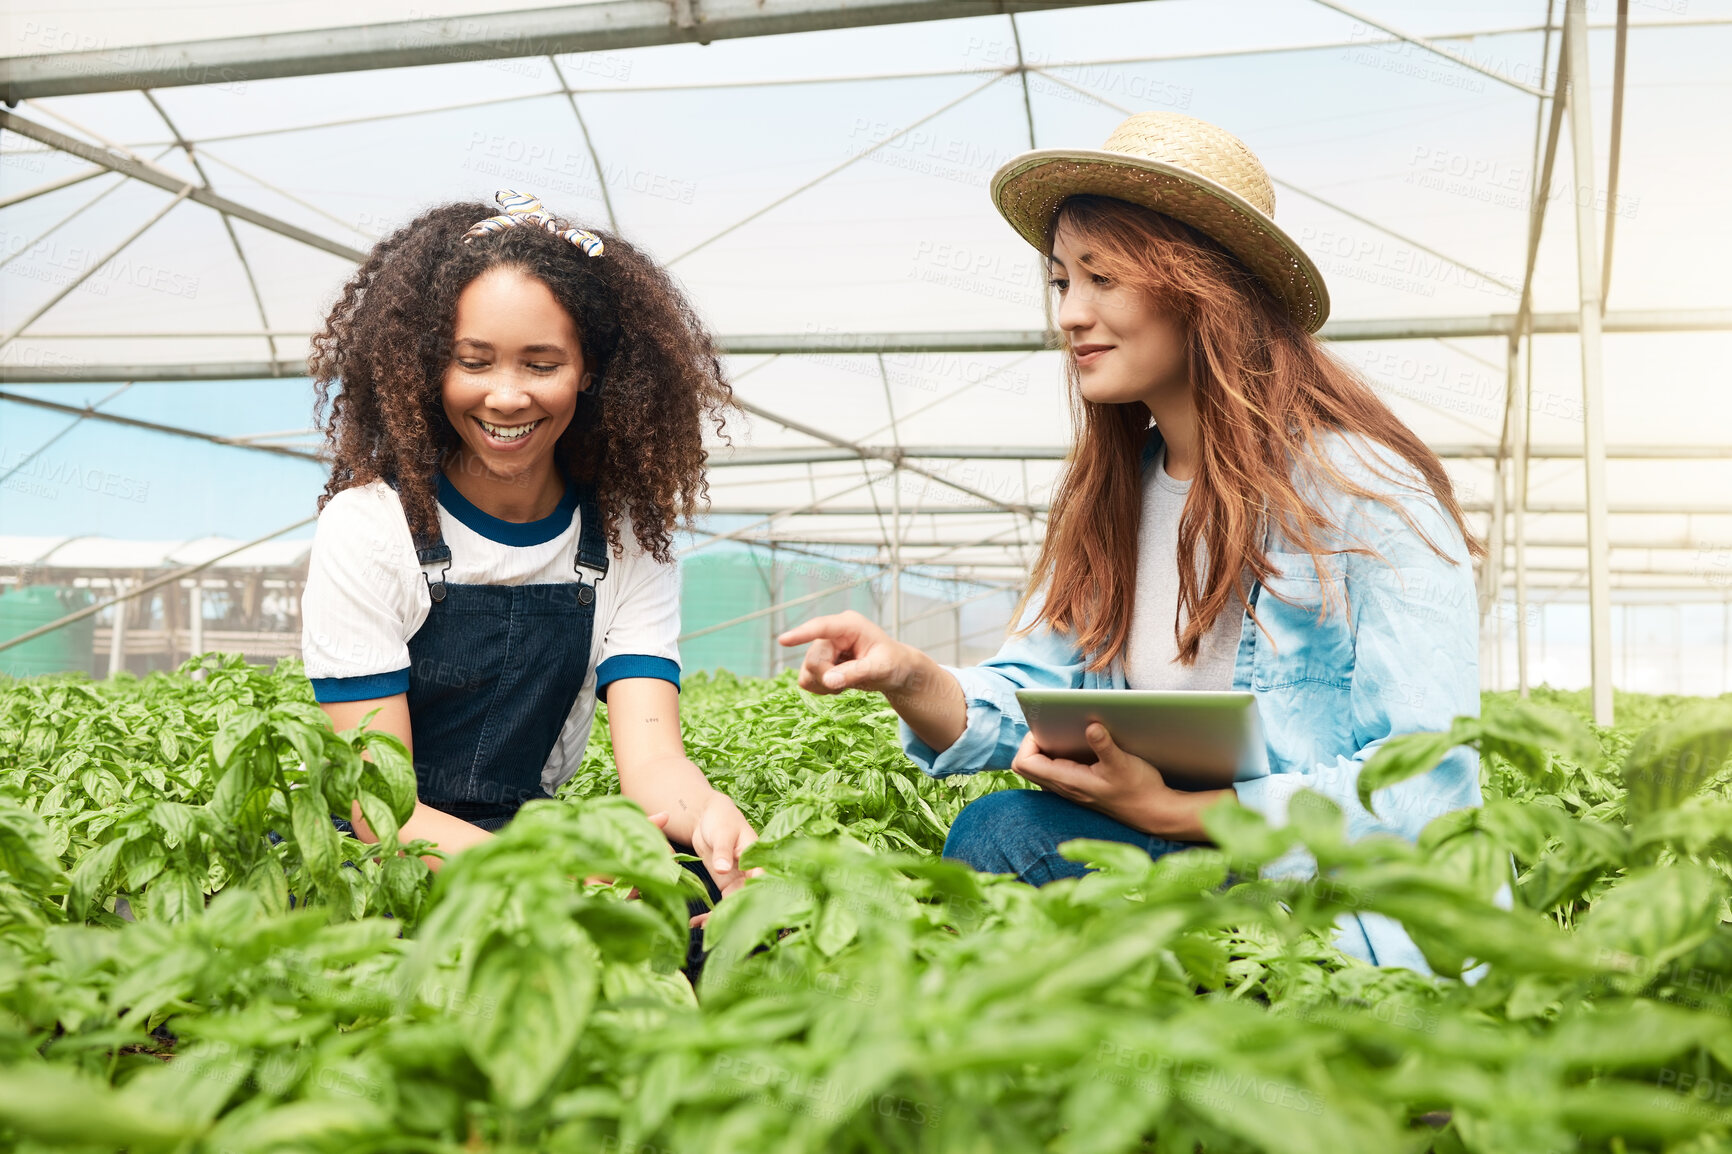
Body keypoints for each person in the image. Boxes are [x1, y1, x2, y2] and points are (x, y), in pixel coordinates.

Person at [777, 113, 1483, 970]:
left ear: (1204, 288)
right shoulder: (1118, 497)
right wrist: (906, 673)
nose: (1071, 315)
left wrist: (1178, 812)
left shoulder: (1368, 494)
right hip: (1193, 874)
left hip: (1332, 902)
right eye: (1060, 282)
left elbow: (1426, 789)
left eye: (1102, 277)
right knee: (1001, 829)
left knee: (1011, 848)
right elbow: (1028, 700)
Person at [300, 190, 758, 904]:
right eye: (473, 362)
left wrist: (713, 821)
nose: (506, 397)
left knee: (701, 898)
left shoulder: (622, 539)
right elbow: (375, 807)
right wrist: (548, 884)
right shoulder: (371, 528)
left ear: (593, 374)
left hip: (527, 838)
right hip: (379, 855)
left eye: (541, 365)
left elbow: (655, 764)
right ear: (427, 369)